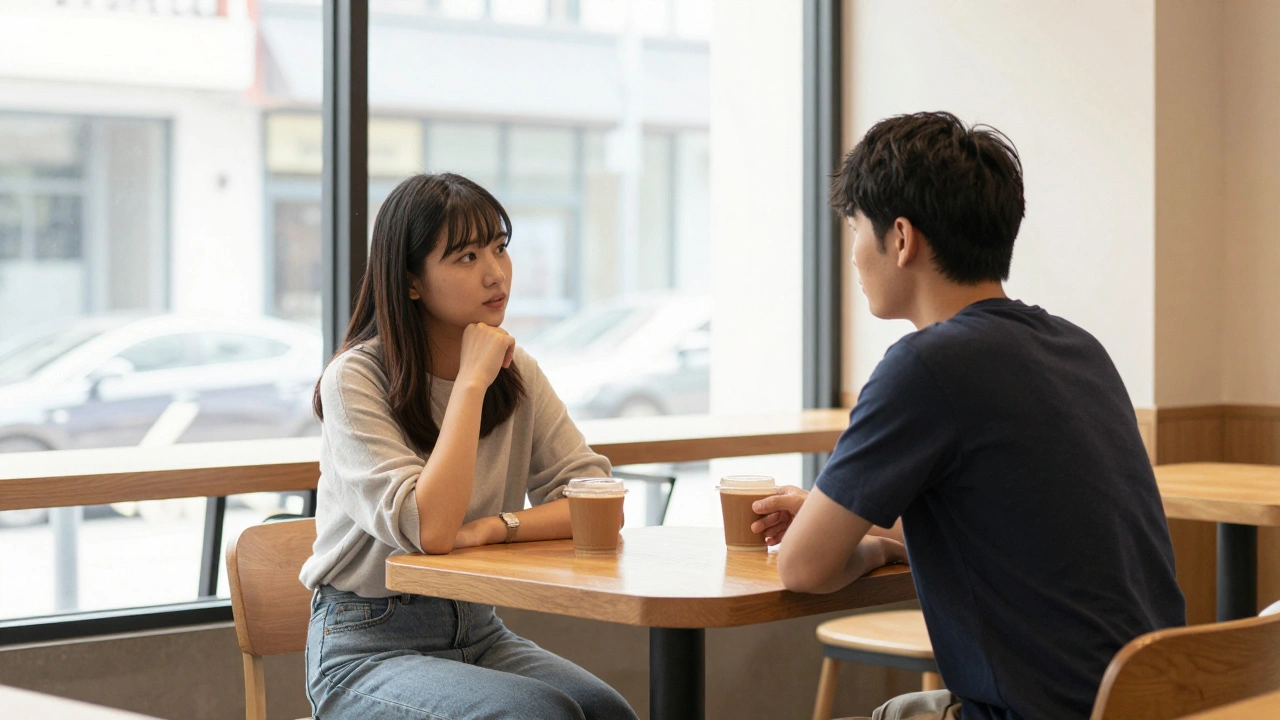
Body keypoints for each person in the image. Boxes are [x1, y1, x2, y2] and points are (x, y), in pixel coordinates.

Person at [753, 112, 1185, 720]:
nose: (852, 256)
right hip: (1149, 701)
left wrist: (869, 546)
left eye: (854, 229)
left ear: (901, 238)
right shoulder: (1079, 348)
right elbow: (1021, 533)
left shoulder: (925, 367)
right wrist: (878, 539)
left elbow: (801, 566)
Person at [298, 172, 638, 720]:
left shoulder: (515, 369)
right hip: (365, 646)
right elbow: (430, 528)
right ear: (411, 281)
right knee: (539, 716)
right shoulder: (356, 379)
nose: (494, 273)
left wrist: (493, 528)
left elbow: (598, 503)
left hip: (478, 629)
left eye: (500, 249)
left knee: (605, 712)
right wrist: (471, 384)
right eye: (465, 257)